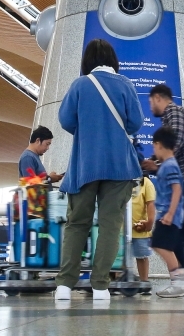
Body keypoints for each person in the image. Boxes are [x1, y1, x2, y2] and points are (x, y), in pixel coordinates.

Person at [54, 38, 144, 303]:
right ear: (113, 60)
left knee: (77, 223)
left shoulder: (80, 85)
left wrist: (88, 132)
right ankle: (101, 286)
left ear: (87, 61)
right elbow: (135, 124)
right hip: (120, 166)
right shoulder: (126, 85)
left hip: (85, 164)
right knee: (110, 225)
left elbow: (66, 120)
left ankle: (64, 285)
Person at [145, 84, 184, 297]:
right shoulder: (170, 117)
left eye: (150, 101)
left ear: (157, 98)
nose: (150, 106)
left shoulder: (176, 113)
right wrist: (155, 164)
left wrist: (155, 163)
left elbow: (176, 144)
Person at [148, 126, 184, 298]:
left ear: (158, 145)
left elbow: (177, 189)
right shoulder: (167, 166)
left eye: (153, 146)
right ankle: (178, 275)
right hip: (167, 214)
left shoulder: (170, 165)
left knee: (160, 245)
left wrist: (170, 213)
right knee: (162, 245)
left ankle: (178, 279)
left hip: (168, 215)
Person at [131, 173, 157, 292]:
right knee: (118, 257)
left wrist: (149, 223)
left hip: (139, 227)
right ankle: (117, 283)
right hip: (120, 228)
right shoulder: (120, 179)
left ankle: (144, 283)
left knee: (141, 256)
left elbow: (150, 203)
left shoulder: (146, 182)